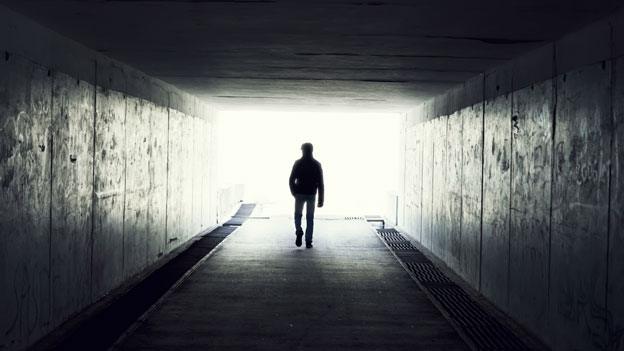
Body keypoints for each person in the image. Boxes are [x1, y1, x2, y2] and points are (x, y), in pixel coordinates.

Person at [289, 142, 324, 248]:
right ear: (312, 150)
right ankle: (308, 241)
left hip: (299, 193)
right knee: (310, 218)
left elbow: (291, 179)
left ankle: (299, 230)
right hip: (311, 194)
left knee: (298, 215)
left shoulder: (298, 163)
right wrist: (321, 199)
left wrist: (294, 192)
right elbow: (320, 183)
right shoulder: (317, 164)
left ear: (302, 150)